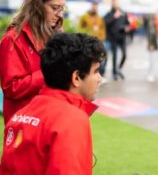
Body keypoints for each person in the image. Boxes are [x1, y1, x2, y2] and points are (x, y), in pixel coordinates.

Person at [0, 33, 106, 174]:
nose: (100, 78)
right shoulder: (72, 120)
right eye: (96, 71)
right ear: (76, 77)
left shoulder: (21, 114)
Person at [0, 0, 67, 124]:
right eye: (55, 8)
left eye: (62, 8)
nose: (59, 14)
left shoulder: (55, 35)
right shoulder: (12, 39)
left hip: (50, 120)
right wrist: (49, 71)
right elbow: (11, 88)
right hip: (24, 128)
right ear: (37, 5)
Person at [79, 1, 108, 84]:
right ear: (91, 7)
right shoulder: (85, 17)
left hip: (98, 41)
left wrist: (102, 38)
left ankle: (100, 75)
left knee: (100, 59)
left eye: (96, 6)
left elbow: (102, 29)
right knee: (90, 60)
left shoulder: (99, 18)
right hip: (88, 42)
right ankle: (89, 77)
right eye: (93, 6)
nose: (95, 8)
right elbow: (80, 27)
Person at [104, 0, 130, 81]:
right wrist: (114, 17)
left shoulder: (123, 13)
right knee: (114, 56)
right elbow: (106, 23)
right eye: (114, 3)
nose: (116, 4)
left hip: (122, 37)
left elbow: (127, 23)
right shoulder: (109, 13)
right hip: (113, 38)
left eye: (117, 3)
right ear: (112, 4)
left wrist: (126, 28)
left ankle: (118, 69)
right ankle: (114, 73)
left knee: (124, 55)